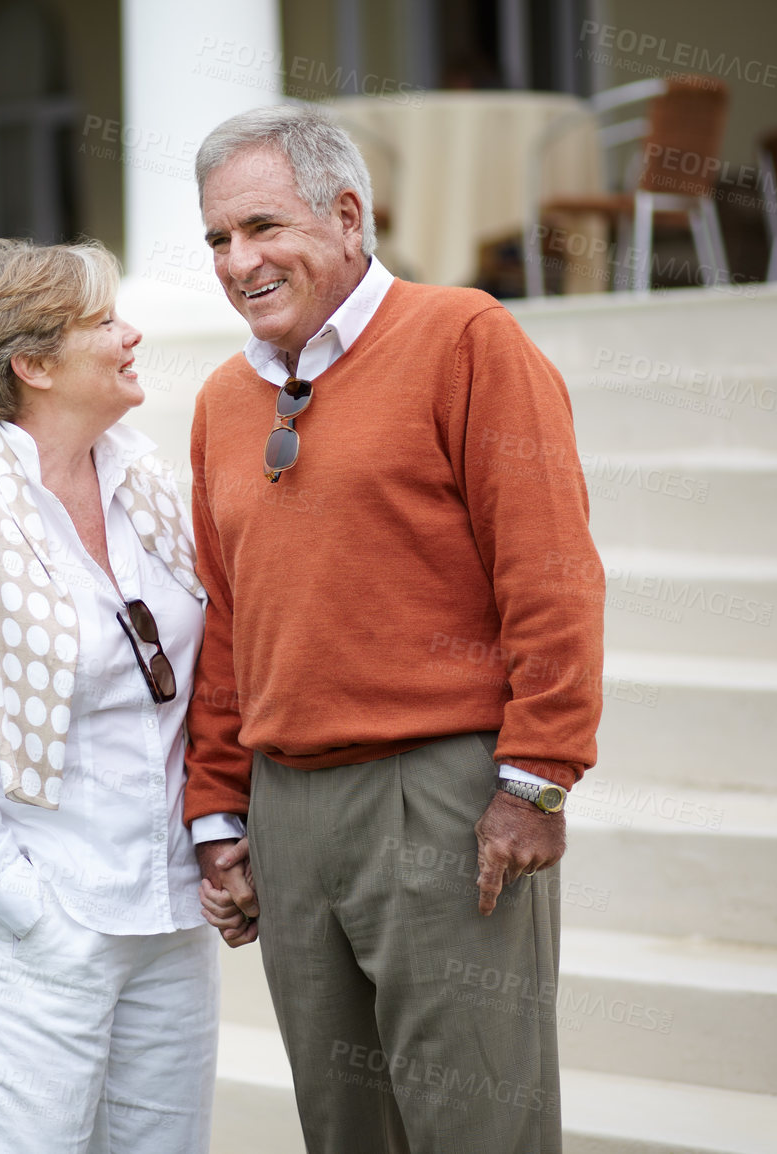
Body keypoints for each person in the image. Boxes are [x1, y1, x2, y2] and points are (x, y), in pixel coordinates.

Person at [184, 106, 605, 1152]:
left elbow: (551, 573)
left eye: (262, 227)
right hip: (287, 812)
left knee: (477, 1125)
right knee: (343, 1131)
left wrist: (537, 774)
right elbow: (224, 623)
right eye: (218, 241)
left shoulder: (464, 337)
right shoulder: (219, 403)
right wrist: (218, 813)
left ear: (346, 214)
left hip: (444, 799)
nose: (240, 262)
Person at [0, 238, 218, 1153]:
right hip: (46, 925)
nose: (131, 334)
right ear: (34, 364)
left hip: (172, 913)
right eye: (105, 322)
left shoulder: (148, 488)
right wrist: (26, 908)